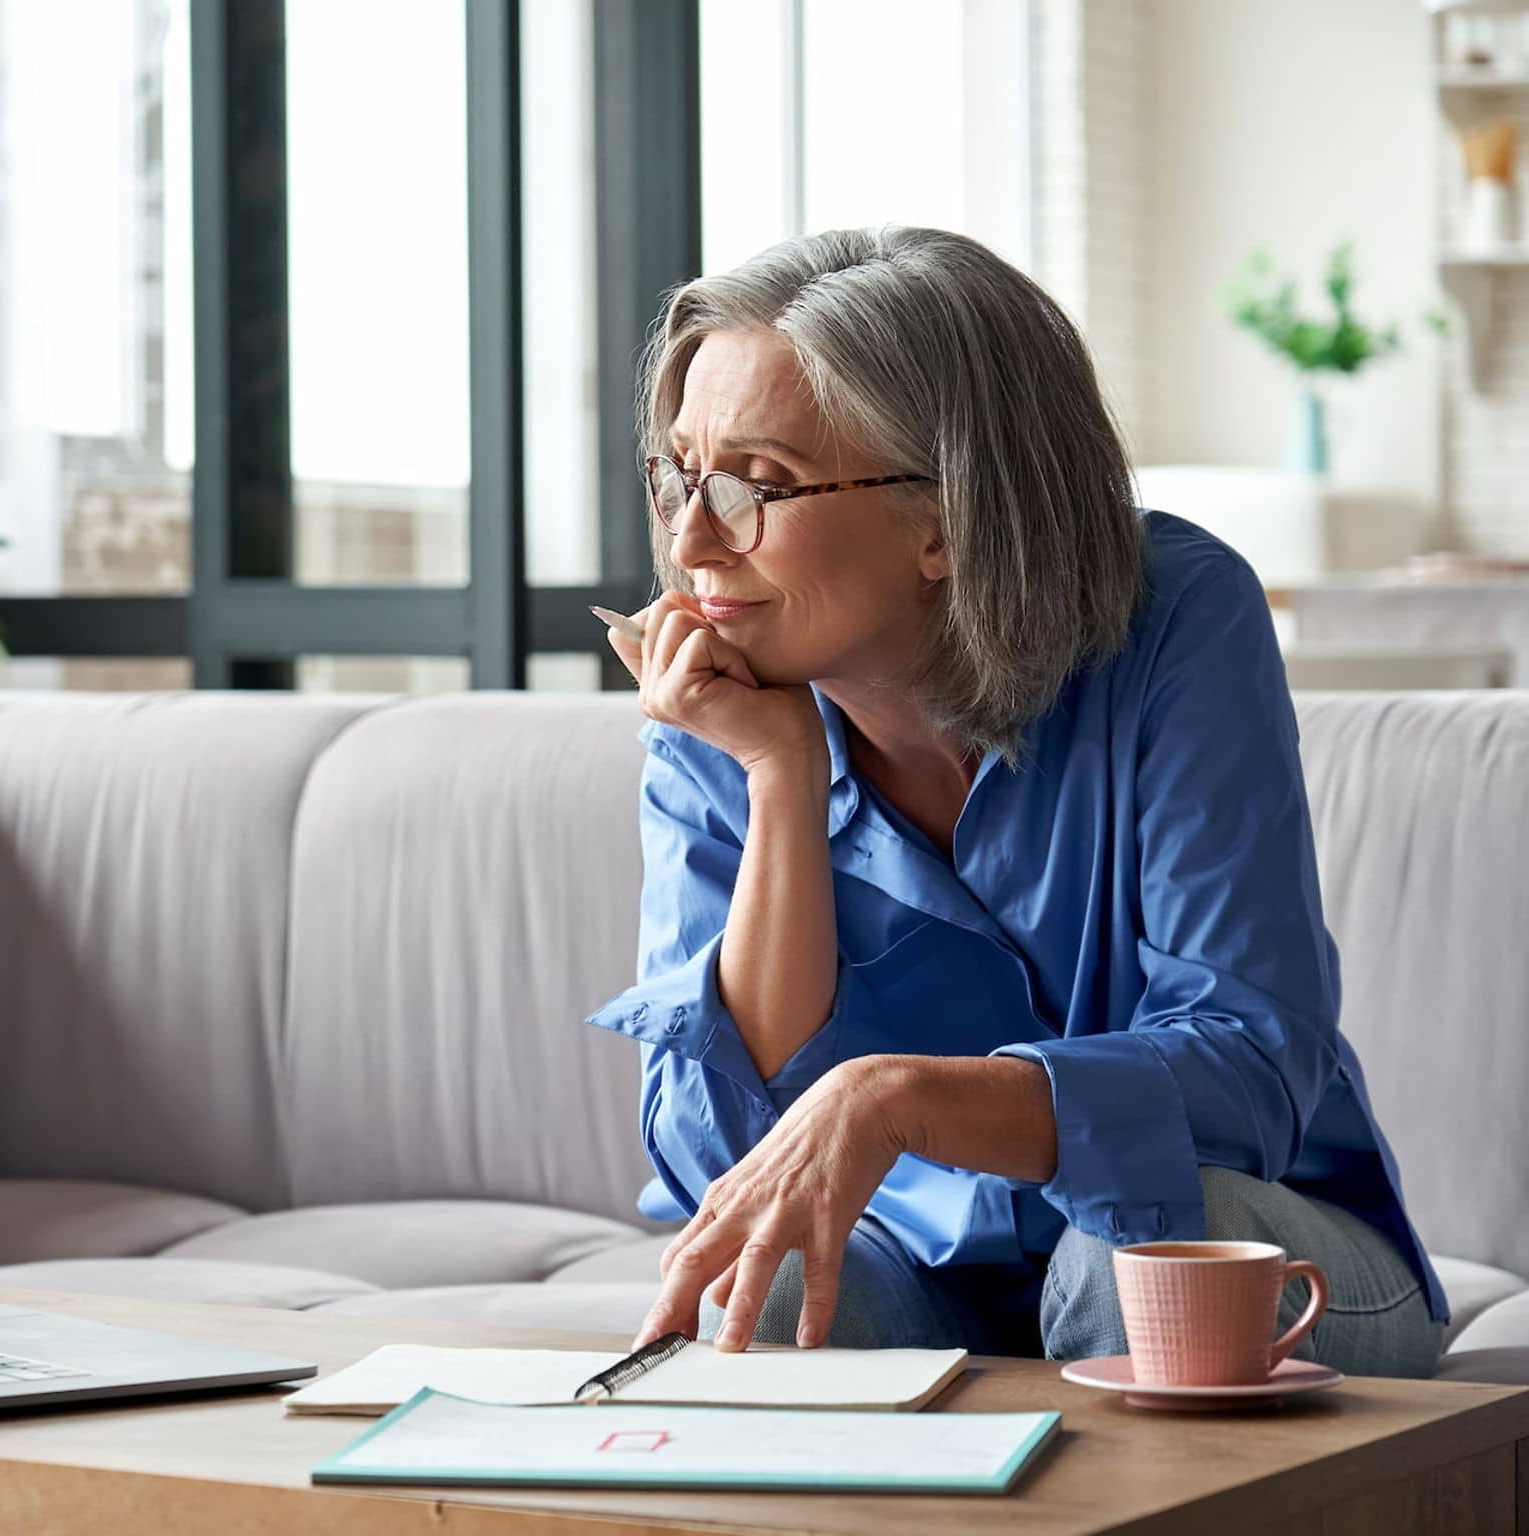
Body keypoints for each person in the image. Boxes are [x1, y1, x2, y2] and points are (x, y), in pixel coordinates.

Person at [586, 225, 1446, 1376]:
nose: (691, 540)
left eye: (757, 485)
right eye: (678, 475)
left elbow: (1249, 1069)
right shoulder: (720, 702)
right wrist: (779, 780)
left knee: (1129, 1261)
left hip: (1249, 1240)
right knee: (772, 1282)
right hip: (920, 1267)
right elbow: (722, 1159)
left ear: (945, 516)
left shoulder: (1175, 620)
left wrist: (897, 1099)